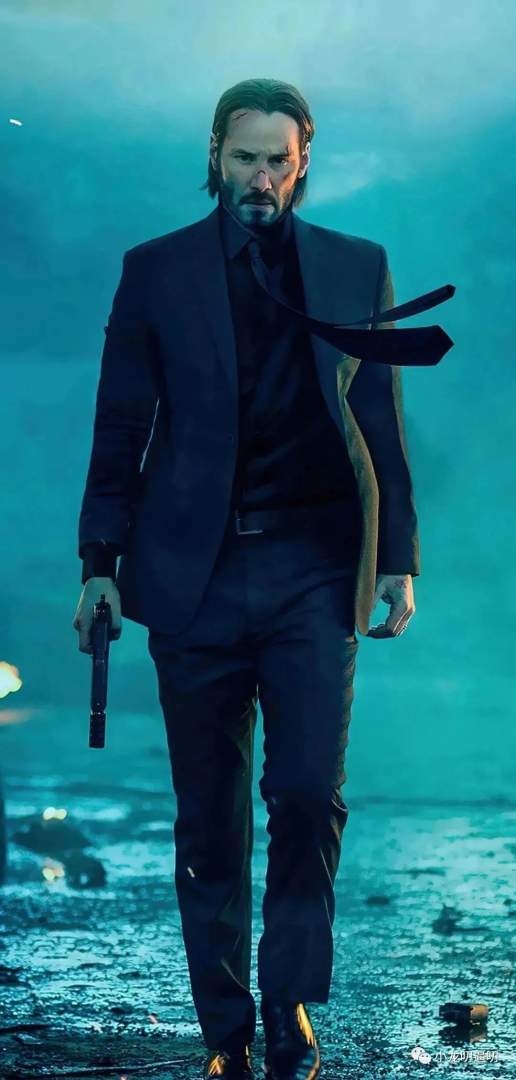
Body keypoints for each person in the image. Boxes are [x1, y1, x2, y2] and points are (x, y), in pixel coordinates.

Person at [73, 78, 419, 1080]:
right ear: (214, 155)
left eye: (277, 160)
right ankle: (225, 1029)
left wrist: (398, 557)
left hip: (316, 568)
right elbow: (120, 423)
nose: (259, 178)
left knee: (308, 795)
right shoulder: (156, 271)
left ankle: (290, 1005)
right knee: (209, 813)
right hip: (195, 574)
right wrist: (99, 565)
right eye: (243, 158)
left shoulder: (356, 267)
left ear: (302, 162)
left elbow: (381, 418)